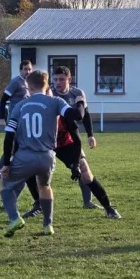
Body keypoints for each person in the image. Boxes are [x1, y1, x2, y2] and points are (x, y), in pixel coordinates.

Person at [0, 70, 86, 238]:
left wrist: (7, 163)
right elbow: (77, 116)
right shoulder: (56, 101)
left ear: (28, 86)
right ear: (47, 84)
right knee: (45, 186)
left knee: (4, 184)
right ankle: (48, 225)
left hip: (25, 155)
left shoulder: (20, 105)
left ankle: (14, 218)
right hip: (47, 156)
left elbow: (9, 135)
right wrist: (80, 101)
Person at [23, 96, 121, 220]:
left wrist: (75, 164)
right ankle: (38, 204)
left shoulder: (62, 111)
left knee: (85, 171)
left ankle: (109, 208)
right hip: (44, 145)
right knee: (28, 168)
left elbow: (77, 139)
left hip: (65, 144)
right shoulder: (32, 111)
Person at [51, 66, 101, 210]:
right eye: (55, 79)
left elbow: (85, 115)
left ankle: (87, 202)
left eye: (61, 79)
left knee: (83, 167)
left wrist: (90, 135)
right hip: (48, 139)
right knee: (35, 169)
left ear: (69, 79)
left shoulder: (77, 94)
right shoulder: (49, 94)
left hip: (68, 139)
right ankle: (36, 203)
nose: (58, 83)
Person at [0, 60, 32, 183]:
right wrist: (2, 118)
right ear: (20, 70)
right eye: (25, 69)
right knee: (12, 147)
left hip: (25, 120)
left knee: (21, 147)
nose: (28, 71)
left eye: (29, 69)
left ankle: (22, 172)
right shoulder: (16, 82)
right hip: (14, 120)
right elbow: (3, 100)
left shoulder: (30, 84)